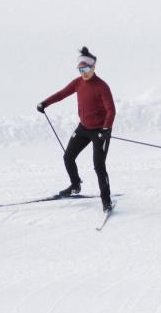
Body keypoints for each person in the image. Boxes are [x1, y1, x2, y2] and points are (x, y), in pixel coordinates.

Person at [36, 47, 116, 211]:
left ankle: (106, 201)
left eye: (86, 70)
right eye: (80, 70)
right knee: (68, 157)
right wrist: (45, 103)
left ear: (93, 67)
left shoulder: (102, 86)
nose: (83, 73)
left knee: (99, 166)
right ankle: (75, 185)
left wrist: (106, 129)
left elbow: (111, 110)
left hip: (100, 132)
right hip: (84, 128)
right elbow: (62, 94)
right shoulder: (78, 83)